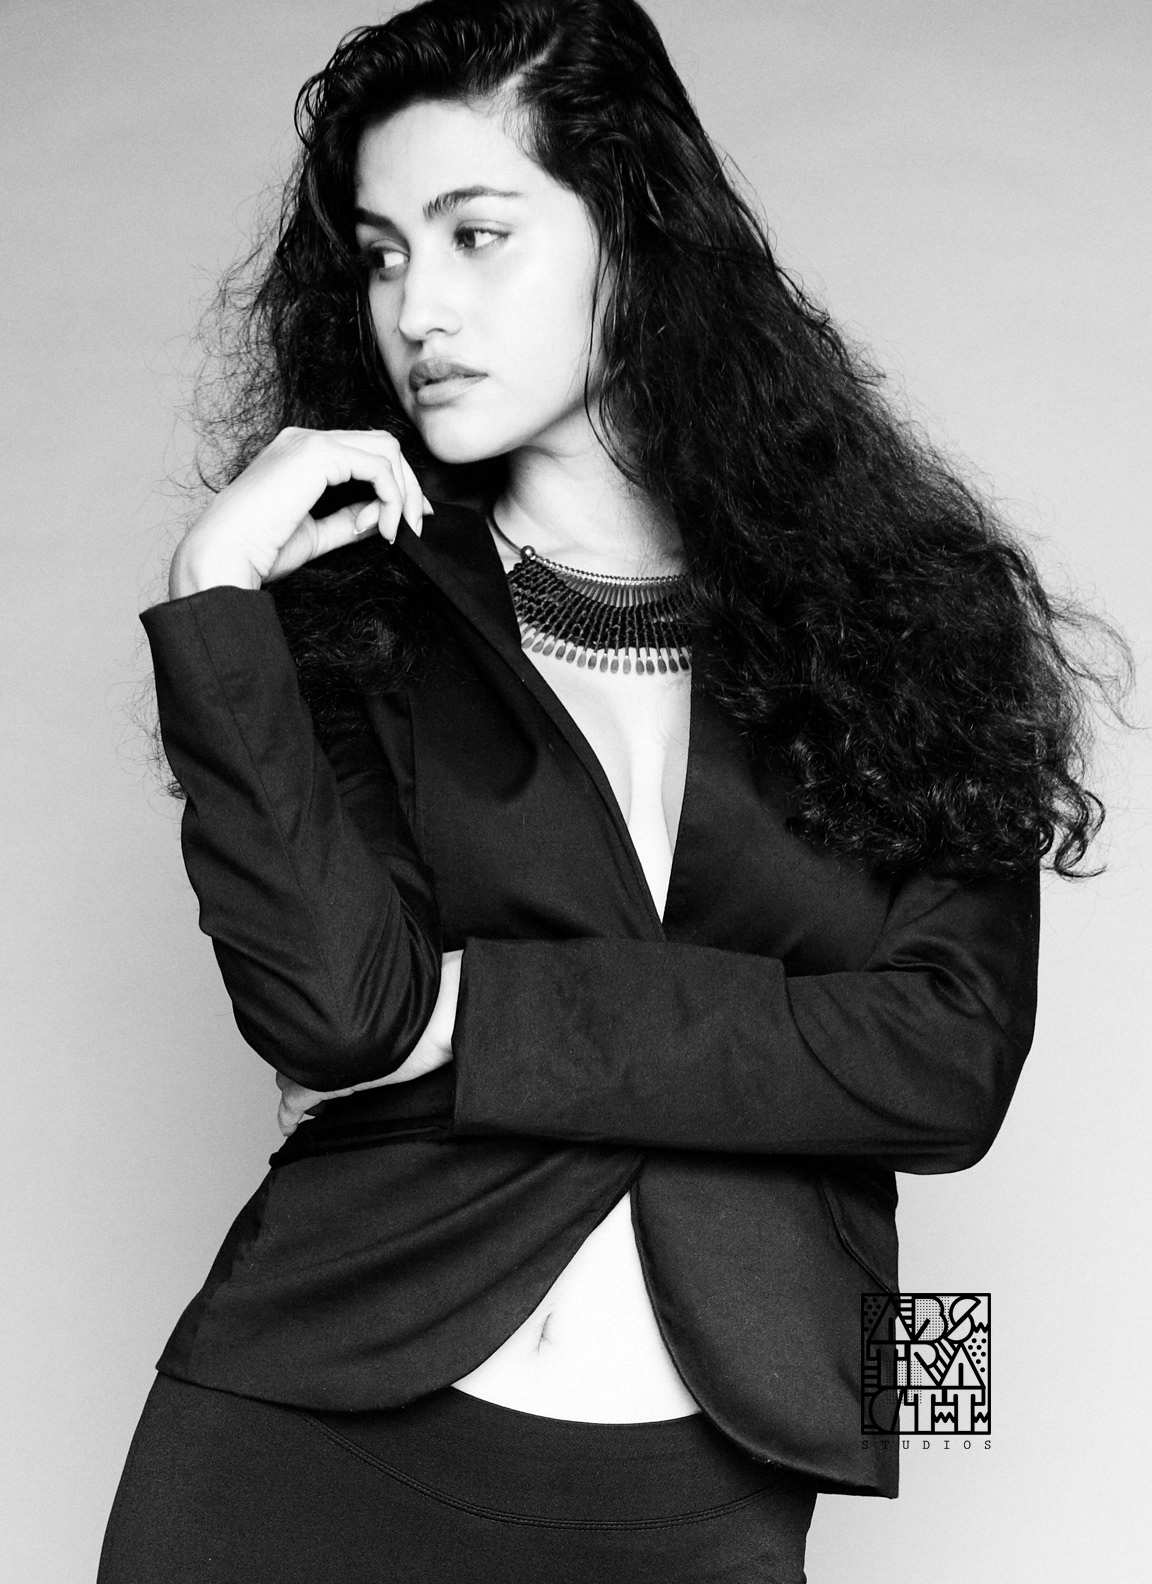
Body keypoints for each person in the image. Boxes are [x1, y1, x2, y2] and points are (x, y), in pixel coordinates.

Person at [98, 1, 1109, 1579]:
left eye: (476, 235)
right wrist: (214, 591)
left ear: (635, 234)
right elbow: (337, 1021)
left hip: (739, 1442)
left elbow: (948, 1074)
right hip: (303, 1423)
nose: (417, 307)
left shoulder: (922, 605)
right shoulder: (355, 609)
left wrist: (480, 1015)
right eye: (382, 255)